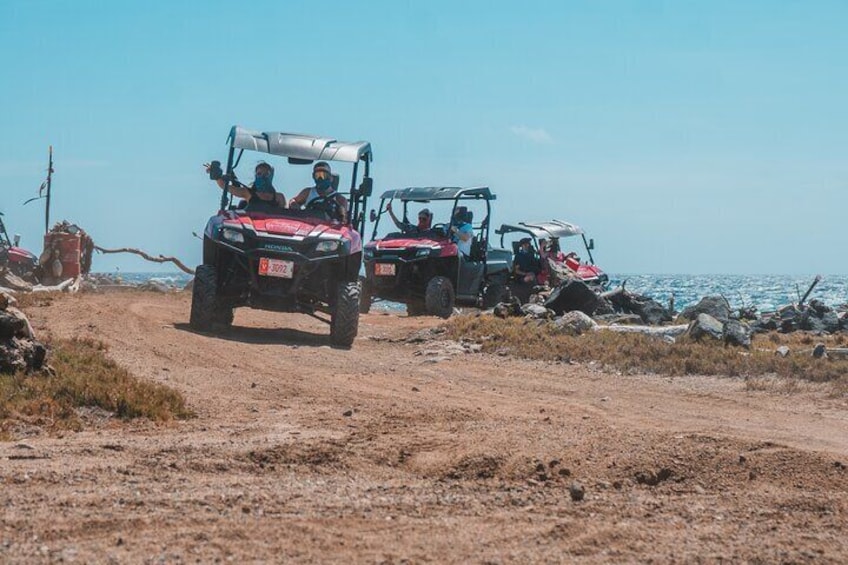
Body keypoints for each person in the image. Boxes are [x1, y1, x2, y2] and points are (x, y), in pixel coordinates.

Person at [204, 161, 287, 211]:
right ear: (255, 176)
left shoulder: (279, 197)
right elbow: (224, 186)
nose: (262, 177)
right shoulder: (247, 193)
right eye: (259, 174)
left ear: (271, 176)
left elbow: (284, 218)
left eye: (266, 174)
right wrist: (215, 174)